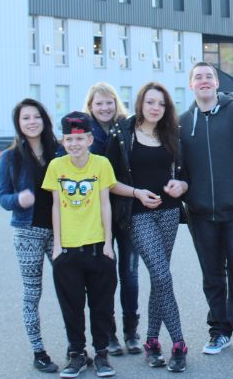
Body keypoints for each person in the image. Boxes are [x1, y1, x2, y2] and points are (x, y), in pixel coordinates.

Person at [178, 62, 233, 359]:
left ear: (217, 83)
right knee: (212, 275)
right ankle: (219, 331)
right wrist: (190, 195)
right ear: (191, 85)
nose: (204, 81)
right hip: (201, 214)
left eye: (209, 76)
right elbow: (180, 167)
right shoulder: (183, 122)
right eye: (198, 77)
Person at [107, 82, 190, 373]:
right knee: (162, 274)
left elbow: (185, 175)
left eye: (162, 103)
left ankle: (152, 342)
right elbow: (108, 180)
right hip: (138, 214)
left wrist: (181, 185)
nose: (156, 108)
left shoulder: (172, 134)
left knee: (159, 278)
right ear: (140, 103)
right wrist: (136, 193)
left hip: (169, 212)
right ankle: (179, 343)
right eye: (151, 102)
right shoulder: (122, 133)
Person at [43, 111, 117, 378]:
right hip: (68, 249)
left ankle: (102, 354)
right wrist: (57, 245)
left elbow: (106, 203)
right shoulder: (56, 166)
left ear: (89, 139)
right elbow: (55, 206)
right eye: (69, 139)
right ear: (63, 141)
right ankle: (77, 354)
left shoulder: (101, 164)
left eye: (80, 138)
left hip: (97, 247)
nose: (74, 144)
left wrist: (108, 243)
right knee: (72, 307)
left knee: (101, 306)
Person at [0, 98, 61, 373]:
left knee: (69, 289)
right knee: (32, 292)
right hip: (28, 232)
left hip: (61, 231)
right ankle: (39, 351)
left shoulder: (59, 151)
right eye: (26, 118)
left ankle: (77, 348)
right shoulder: (11, 157)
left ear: (45, 120)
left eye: (36, 116)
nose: (32, 122)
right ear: (18, 124)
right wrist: (18, 199)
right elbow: (3, 197)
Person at [84, 82, 141, 357]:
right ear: (90, 106)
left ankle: (131, 331)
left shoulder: (128, 128)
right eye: (99, 103)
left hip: (127, 211)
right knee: (104, 276)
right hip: (96, 213)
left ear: (116, 103)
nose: (105, 108)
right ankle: (109, 332)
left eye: (109, 102)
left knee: (129, 273)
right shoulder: (85, 134)